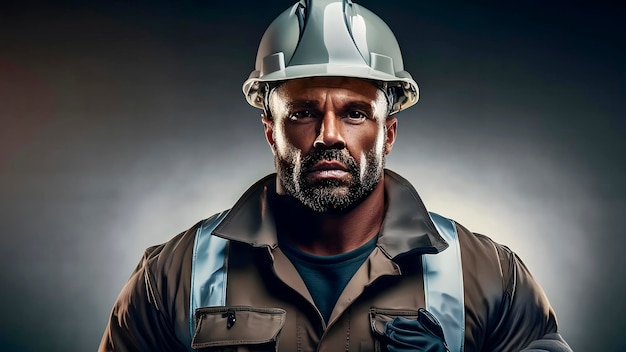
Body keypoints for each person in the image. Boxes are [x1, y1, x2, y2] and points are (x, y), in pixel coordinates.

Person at [99, 1, 572, 351]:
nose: (329, 135)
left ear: (388, 132)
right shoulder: (172, 276)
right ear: (271, 130)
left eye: (354, 113)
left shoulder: (488, 276)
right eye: (303, 112)